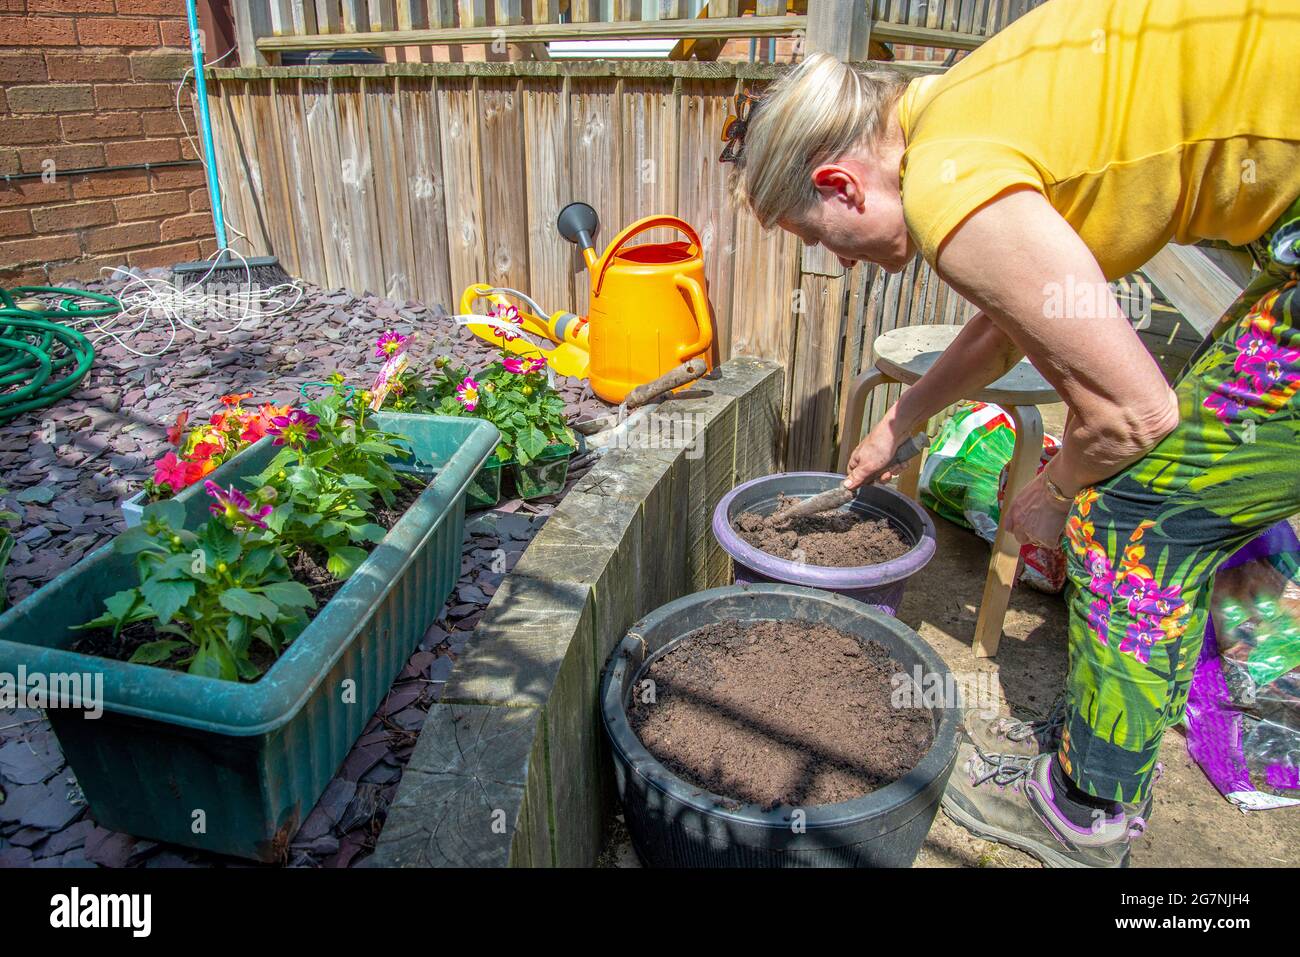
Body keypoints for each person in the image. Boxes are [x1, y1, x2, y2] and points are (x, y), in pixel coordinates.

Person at [725, 0, 1300, 867]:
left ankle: (1084, 813)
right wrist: (898, 421)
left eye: (821, 238)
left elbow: (1132, 414)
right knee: (1167, 489)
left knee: (1136, 515)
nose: (840, 262)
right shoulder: (951, 109)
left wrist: (1051, 491)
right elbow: (1006, 322)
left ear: (842, 184)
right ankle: (1102, 759)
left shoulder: (946, 177)